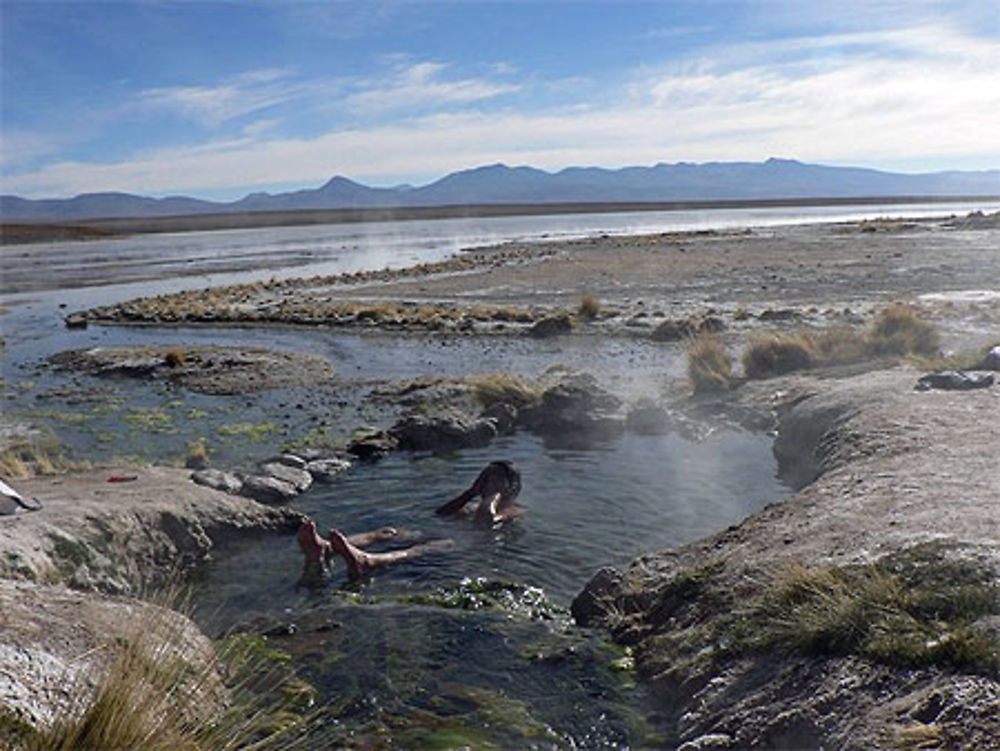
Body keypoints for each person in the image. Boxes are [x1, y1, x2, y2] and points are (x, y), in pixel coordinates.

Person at [296, 518, 451, 583]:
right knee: (389, 532)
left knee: (441, 545)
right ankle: (328, 548)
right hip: (454, 527)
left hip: (463, 538)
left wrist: (470, 493)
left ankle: (368, 561)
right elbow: (442, 514)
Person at [435, 460, 524, 525]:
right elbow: (440, 514)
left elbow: (487, 521)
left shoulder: (515, 512)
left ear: (511, 488)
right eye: (486, 479)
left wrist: (493, 497)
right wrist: (471, 492)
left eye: (497, 480)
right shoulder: (471, 507)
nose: (489, 484)